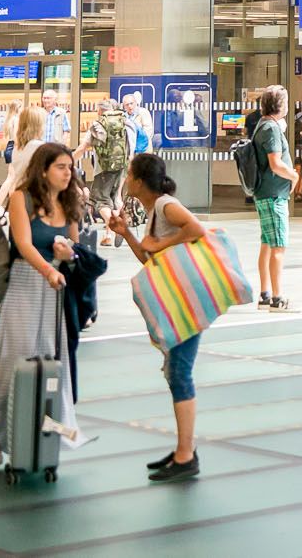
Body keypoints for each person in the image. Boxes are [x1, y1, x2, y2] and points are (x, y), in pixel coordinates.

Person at [108, 152, 211, 482]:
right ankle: (184, 449)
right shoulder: (154, 211)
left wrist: (162, 241)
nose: (125, 180)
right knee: (175, 373)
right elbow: (149, 258)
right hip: (175, 301)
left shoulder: (166, 206)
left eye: (128, 175)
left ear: (138, 181)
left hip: (186, 303)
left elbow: (197, 230)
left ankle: (186, 455)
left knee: (180, 373)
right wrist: (127, 234)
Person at [0, 143, 81, 465]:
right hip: (25, 281)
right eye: (61, 167)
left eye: (69, 167)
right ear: (44, 169)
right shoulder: (20, 197)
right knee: (14, 355)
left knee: (51, 354)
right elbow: (23, 242)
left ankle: (44, 425)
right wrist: (49, 267)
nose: (68, 173)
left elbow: (75, 244)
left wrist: (69, 256)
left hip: (55, 287)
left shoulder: (70, 200)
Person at [250, 85, 297, 313]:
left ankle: (265, 294)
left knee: (267, 243)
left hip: (265, 194)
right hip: (274, 195)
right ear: (280, 105)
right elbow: (276, 163)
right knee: (278, 246)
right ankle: (277, 298)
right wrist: (294, 175)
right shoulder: (271, 129)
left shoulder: (264, 125)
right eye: (286, 102)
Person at [0, 104, 47, 211]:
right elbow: (18, 136)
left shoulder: (9, 120)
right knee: (12, 178)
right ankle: (0, 205)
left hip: (10, 146)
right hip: (16, 145)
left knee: (13, 177)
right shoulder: (17, 120)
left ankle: (8, 205)